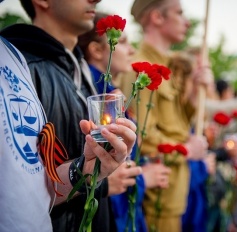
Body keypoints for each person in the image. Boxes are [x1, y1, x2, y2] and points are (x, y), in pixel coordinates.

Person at [0, 0, 135, 231]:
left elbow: (39, 180)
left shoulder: (77, 68)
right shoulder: (23, 68)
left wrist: (90, 170)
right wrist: (100, 185)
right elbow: (19, 191)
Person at [118, 0, 210, 231]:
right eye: (179, 13)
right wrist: (187, 150)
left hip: (175, 183)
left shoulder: (170, 66)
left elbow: (178, 123)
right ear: (158, 17)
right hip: (157, 192)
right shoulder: (139, 68)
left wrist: (194, 95)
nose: (186, 21)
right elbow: (140, 136)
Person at [78, 12, 171, 231]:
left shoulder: (110, 92)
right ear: (98, 50)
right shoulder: (96, 98)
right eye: (124, 42)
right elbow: (105, 168)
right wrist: (142, 179)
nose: (131, 50)